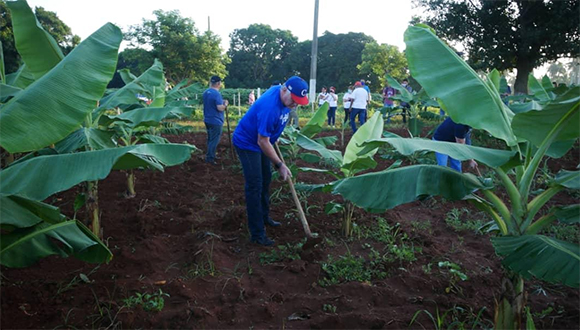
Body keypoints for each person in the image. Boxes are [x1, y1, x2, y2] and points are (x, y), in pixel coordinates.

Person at [232, 76, 309, 246]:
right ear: (284, 90)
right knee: (255, 185)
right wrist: (279, 164)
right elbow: (262, 141)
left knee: (266, 179)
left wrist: (274, 135)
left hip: (263, 141)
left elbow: (269, 134)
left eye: (299, 101)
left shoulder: (282, 95)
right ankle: (257, 234)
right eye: (294, 100)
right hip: (248, 143)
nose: (295, 104)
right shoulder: (270, 107)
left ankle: (264, 217)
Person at [202, 75, 229, 164]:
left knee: (210, 139)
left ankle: (211, 154)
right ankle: (210, 158)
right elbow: (219, 108)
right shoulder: (216, 93)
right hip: (216, 120)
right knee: (214, 140)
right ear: (218, 83)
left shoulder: (206, 92)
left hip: (207, 119)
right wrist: (225, 105)